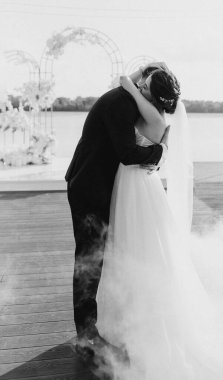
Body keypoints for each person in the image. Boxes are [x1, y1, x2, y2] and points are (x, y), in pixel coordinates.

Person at [96, 70, 223, 379]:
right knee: (145, 244)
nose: (141, 88)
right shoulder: (160, 118)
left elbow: (124, 83)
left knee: (133, 244)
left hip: (134, 183)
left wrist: (136, 86)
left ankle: (135, 321)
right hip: (145, 182)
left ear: (151, 91)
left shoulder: (147, 111)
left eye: (146, 85)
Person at [65, 62, 170, 360]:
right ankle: (86, 336)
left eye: (146, 85)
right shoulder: (121, 103)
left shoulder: (125, 97)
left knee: (96, 257)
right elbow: (126, 154)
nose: (141, 87)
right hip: (89, 186)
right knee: (89, 259)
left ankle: (92, 327)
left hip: (96, 182)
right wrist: (161, 151)